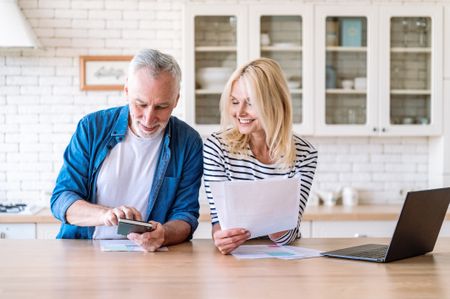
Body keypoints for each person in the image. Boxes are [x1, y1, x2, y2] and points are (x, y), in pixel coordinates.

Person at [50, 49, 203, 251]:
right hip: (84, 251)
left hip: (149, 258)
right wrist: (104, 215)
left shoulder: (188, 141)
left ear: (176, 100)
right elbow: (61, 199)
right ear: (127, 91)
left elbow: (186, 215)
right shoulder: (92, 127)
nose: (149, 119)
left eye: (161, 107)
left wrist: (163, 235)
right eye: (141, 104)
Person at [203, 58, 318, 254]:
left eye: (250, 103)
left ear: (275, 103)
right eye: (235, 101)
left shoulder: (304, 153)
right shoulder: (217, 147)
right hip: (236, 256)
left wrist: (270, 220)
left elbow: (288, 235)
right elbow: (219, 221)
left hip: (282, 258)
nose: (239, 112)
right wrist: (221, 237)